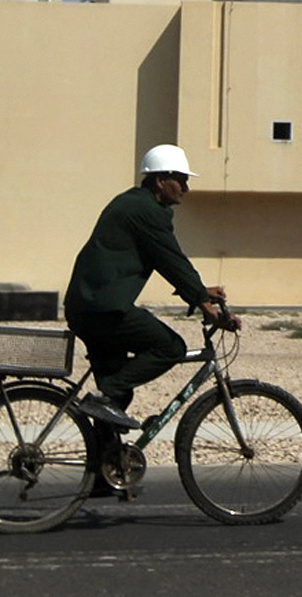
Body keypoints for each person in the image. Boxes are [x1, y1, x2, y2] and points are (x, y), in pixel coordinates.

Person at [63, 143, 231, 430]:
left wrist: (201, 290)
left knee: (116, 399)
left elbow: (166, 261)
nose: (186, 189)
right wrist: (204, 303)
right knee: (170, 347)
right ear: (160, 180)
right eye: (181, 180)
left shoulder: (134, 203)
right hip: (103, 310)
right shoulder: (145, 211)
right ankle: (103, 397)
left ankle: (104, 469)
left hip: (88, 307)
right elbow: (171, 260)